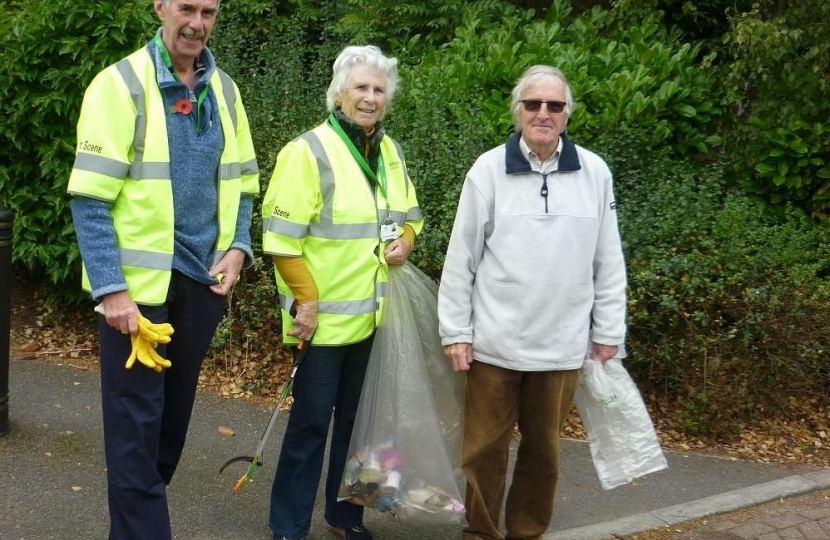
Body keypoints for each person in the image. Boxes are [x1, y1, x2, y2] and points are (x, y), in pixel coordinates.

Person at [66, 0, 259, 538]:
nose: (197, 22)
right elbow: (89, 199)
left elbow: (244, 180)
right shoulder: (118, 85)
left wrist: (238, 248)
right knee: (135, 432)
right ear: (160, 7)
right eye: (186, 8)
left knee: (166, 434)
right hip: (138, 296)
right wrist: (112, 291)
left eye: (210, 11)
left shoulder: (225, 90)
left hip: (202, 284)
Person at [437, 65, 627, 540]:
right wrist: (455, 331)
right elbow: (461, 258)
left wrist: (608, 331)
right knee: (482, 451)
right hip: (493, 344)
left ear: (567, 116)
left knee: (545, 454)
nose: (543, 113)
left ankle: (526, 532)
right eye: (533, 104)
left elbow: (609, 259)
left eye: (555, 105)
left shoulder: (595, 173)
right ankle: (479, 532)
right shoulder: (487, 170)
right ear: (518, 110)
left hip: (561, 347)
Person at [260, 45, 423, 540]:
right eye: (361, 88)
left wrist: (406, 243)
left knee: (366, 424)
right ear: (339, 93)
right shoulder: (306, 151)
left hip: (377, 320)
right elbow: (281, 242)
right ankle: (287, 526)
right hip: (324, 321)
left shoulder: (389, 151)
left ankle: (348, 515)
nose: (370, 98)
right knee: (310, 426)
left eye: (378, 90)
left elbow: (411, 217)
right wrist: (304, 302)